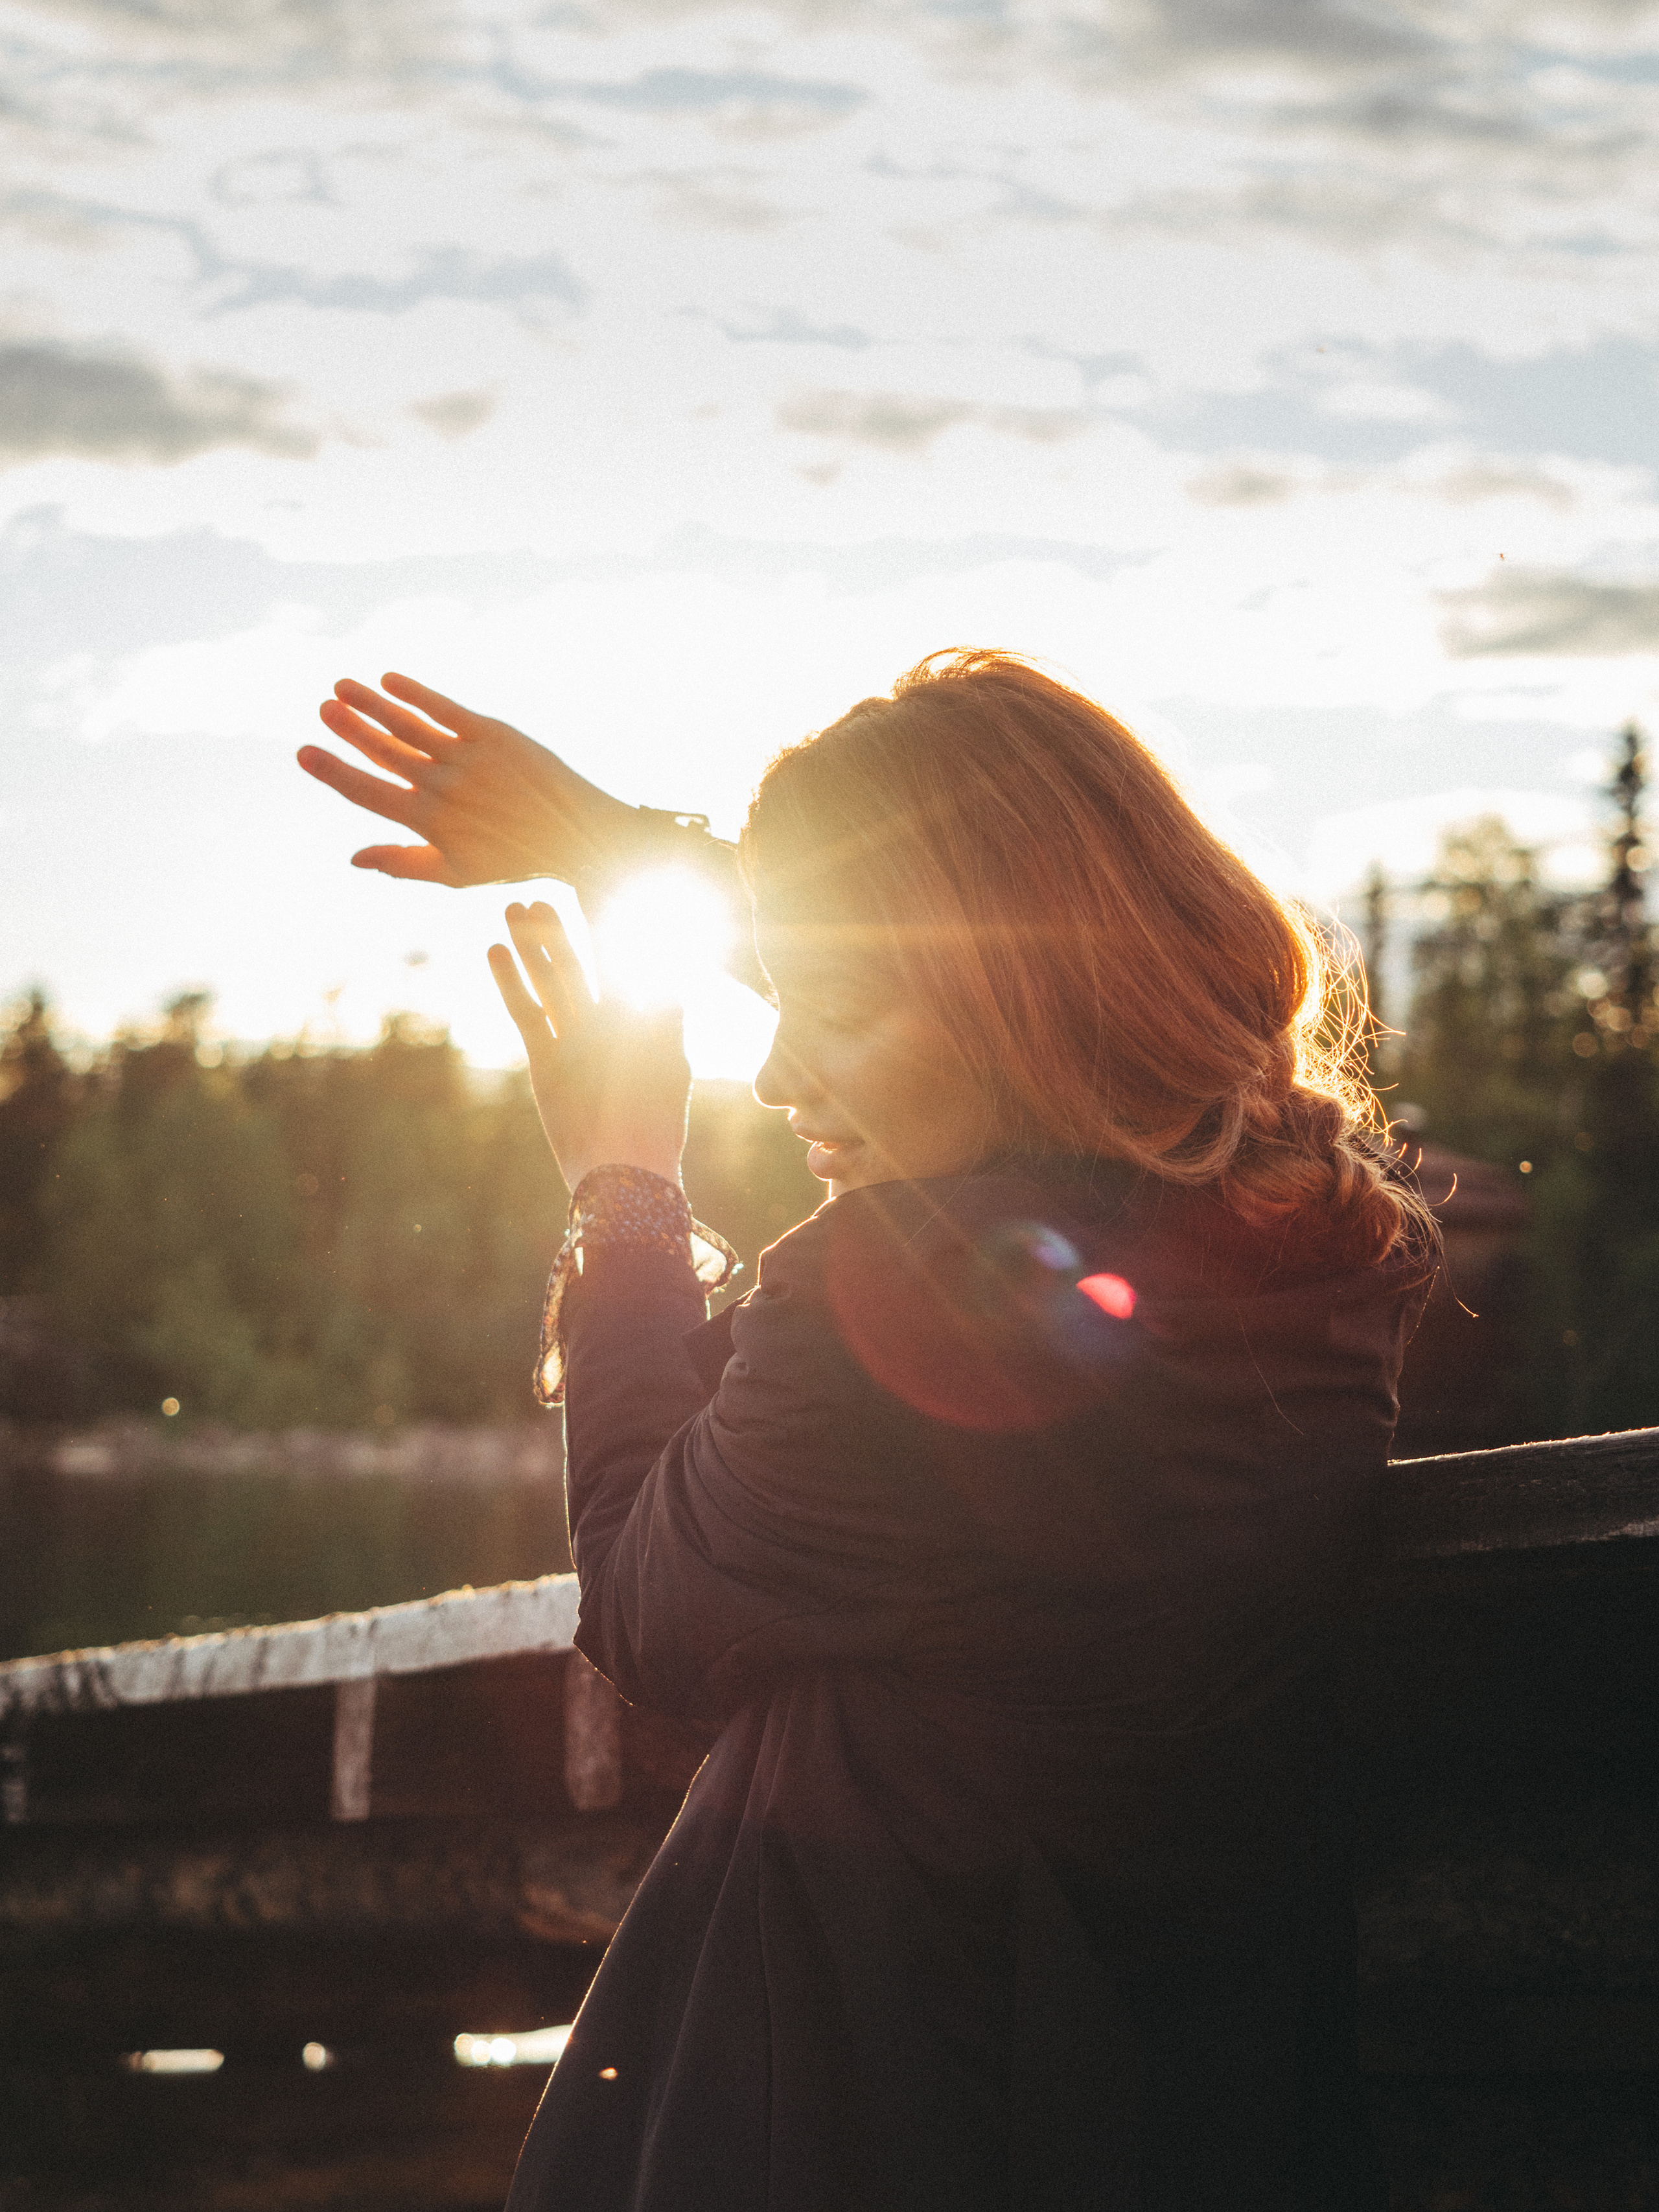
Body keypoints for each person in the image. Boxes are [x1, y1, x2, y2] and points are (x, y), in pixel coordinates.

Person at [298, 652, 1438, 2210]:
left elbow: (644, 1604)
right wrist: (609, 834)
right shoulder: (1327, 1257)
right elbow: (975, 933)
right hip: (1180, 2109)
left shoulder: (880, 1310)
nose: (770, 1072)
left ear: (1011, 1005)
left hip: (867, 2116)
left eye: (822, 1007)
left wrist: (624, 1189)